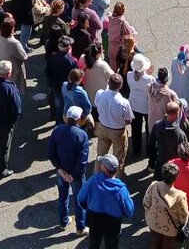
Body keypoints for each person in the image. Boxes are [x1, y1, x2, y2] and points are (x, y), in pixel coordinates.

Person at [77, 153, 135, 249]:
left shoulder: (93, 181)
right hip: (113, 223)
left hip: (94, 218)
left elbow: (81, 198)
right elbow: (129, 211)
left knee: (94, 243)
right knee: (111, 245)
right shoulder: (121, 190)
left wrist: (89, 207)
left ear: (103, 168)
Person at [49, 106, 90, 235]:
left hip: (61, 172)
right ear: (79, 119)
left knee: (63, 196)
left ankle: (63, 221)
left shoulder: (57, 131)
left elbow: (51, 152)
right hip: (76, 175)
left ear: (67, 117)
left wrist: (60, 169)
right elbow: (83, 159)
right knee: (79, 200)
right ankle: (80, 227)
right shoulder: (82, 135)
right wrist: (73, 175)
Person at [143, 161, 189, 249]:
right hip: (171, 230)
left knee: (155, 244)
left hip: (153, 223)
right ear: (176, 177)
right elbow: (184, 216)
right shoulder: (180, 196)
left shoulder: (154, 185)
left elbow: (146, 203)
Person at [93, 73, 133, 175]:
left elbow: (97, 105)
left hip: (102, 127)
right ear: (120, 86)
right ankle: (117, 179)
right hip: (117, 131)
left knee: (100, 155)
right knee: (118, 158)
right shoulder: (124, 102)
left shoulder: (100, 94)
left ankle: (97, 176)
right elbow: (129, 120)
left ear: (108, 83)